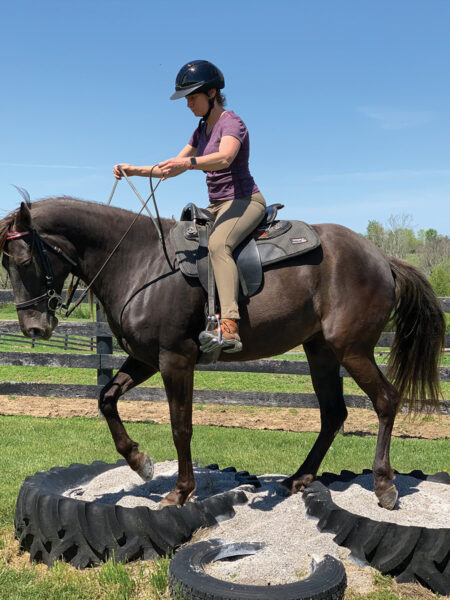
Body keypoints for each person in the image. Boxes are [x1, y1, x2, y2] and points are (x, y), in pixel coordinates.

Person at [113, 60, 266, 353]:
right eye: (186, 99)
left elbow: (225, 157)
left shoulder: (232, 123)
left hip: (245, 201)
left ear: (211, 94)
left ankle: (230, 326)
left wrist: (189, 162)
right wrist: (134, 169)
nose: (188, 104)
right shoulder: (201, 130)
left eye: (192, 97)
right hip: (217, 206)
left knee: (219, 245)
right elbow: (170, 169)